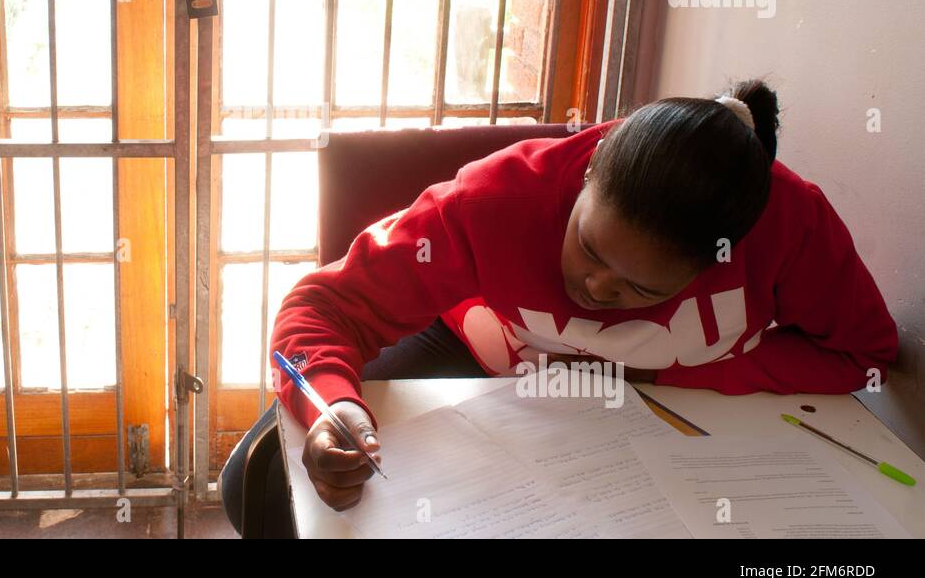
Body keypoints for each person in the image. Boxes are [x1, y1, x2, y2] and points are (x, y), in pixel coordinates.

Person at [219, 79, 899, 535]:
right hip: (482, 356)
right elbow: (325, 307)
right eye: (589, 249)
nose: (599, 293)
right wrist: (336, 404)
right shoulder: (495, 202)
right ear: (593, 163)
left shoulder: (790, 224)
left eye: (643, 291)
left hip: (658, 425)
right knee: (260, 477)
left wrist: (667, 376)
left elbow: (863, 354)